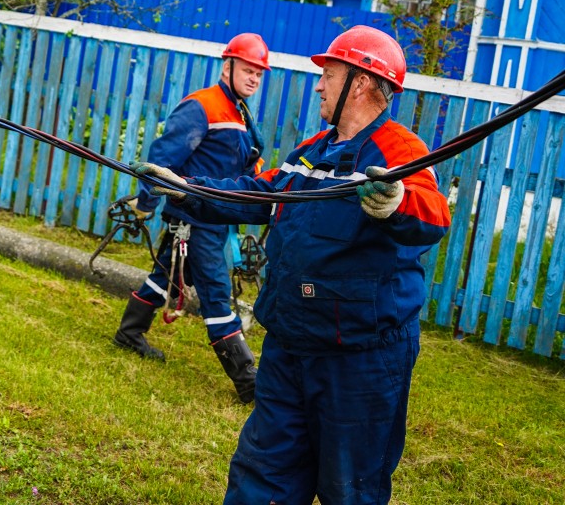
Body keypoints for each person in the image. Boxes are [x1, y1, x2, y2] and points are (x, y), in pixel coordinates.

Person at [133, 25, 452, 504]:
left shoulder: (399, 151)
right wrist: (188, 188)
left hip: (359, 359)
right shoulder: (311, 152)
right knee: (261, 479)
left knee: (351, 490)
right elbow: (258, 194)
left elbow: (433, 214)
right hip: (289, 346)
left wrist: (396, 201)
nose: (319, 84)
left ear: (361, 82)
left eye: (330, 74)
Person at [112, 32, 271, 405]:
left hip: (213, 216)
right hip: (195, 220)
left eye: (259, 74)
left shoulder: (239, 112)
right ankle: (248, 380)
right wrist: (146, 204)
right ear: (227, 66)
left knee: (166, 276)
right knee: (217, 297)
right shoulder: (202, 106)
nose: (254, 79)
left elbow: (235, 159)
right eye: (248, 70)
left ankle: (129, 333)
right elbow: (162, 160)